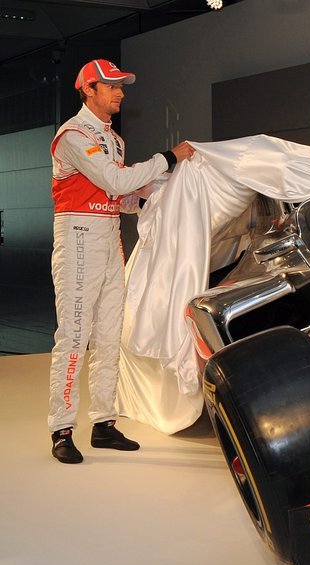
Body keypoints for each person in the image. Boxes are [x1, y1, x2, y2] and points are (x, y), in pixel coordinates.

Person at [48, 58, 195, 464]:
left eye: (121, 86)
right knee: (75, 338)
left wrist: (164, 191)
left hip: (110, 240)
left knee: (111, 336)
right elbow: (115, 181)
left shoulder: (114, 141)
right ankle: (61, 429)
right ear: (88, 90)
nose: (121, 93)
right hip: (77, 239)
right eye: (112, 86)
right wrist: (167, 158)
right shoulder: (72, 135)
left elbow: (122, 198)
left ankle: (104, 423)